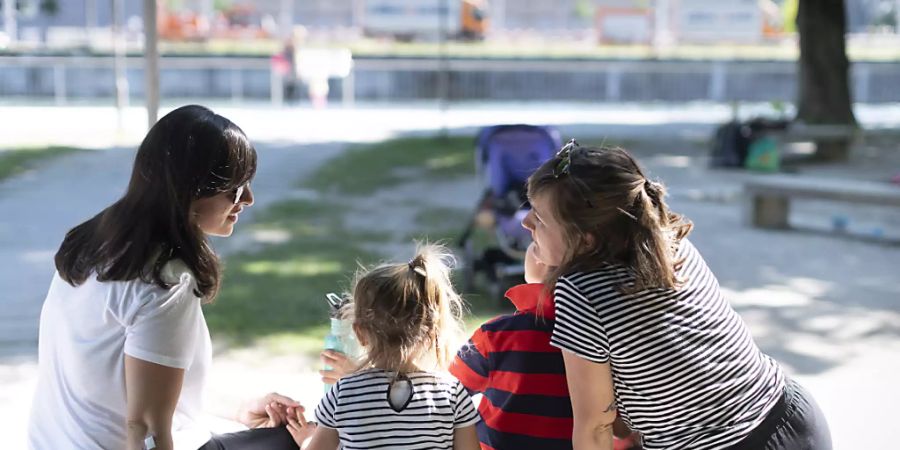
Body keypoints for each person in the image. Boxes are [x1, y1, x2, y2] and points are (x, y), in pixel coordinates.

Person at [521, 140, 832, 450]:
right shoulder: (667, 243)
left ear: (586, 241)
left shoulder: (581, 293)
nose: (525, 223)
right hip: (792, 418)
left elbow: (595, 428)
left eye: (539, 217)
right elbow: (544, 270)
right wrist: (544, 247)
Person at [28, 105, 304, 450]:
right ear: (191, 190)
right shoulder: (164, 280)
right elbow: (144, 426)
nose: (247, 199)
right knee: (309, 440)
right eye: (234, 187)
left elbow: (142, 382)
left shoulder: (93, 245)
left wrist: (239, 409)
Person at [284, 244, 481, 450]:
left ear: (359, 333)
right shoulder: (452, 393)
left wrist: (305, 439)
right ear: (433, 329)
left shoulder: (344, 392)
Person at [449, 243, 639, 450]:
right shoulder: (605, 339)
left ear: (541, 259)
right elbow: (621, 427)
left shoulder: (496, 335)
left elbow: (450, 392)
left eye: (534, 243)